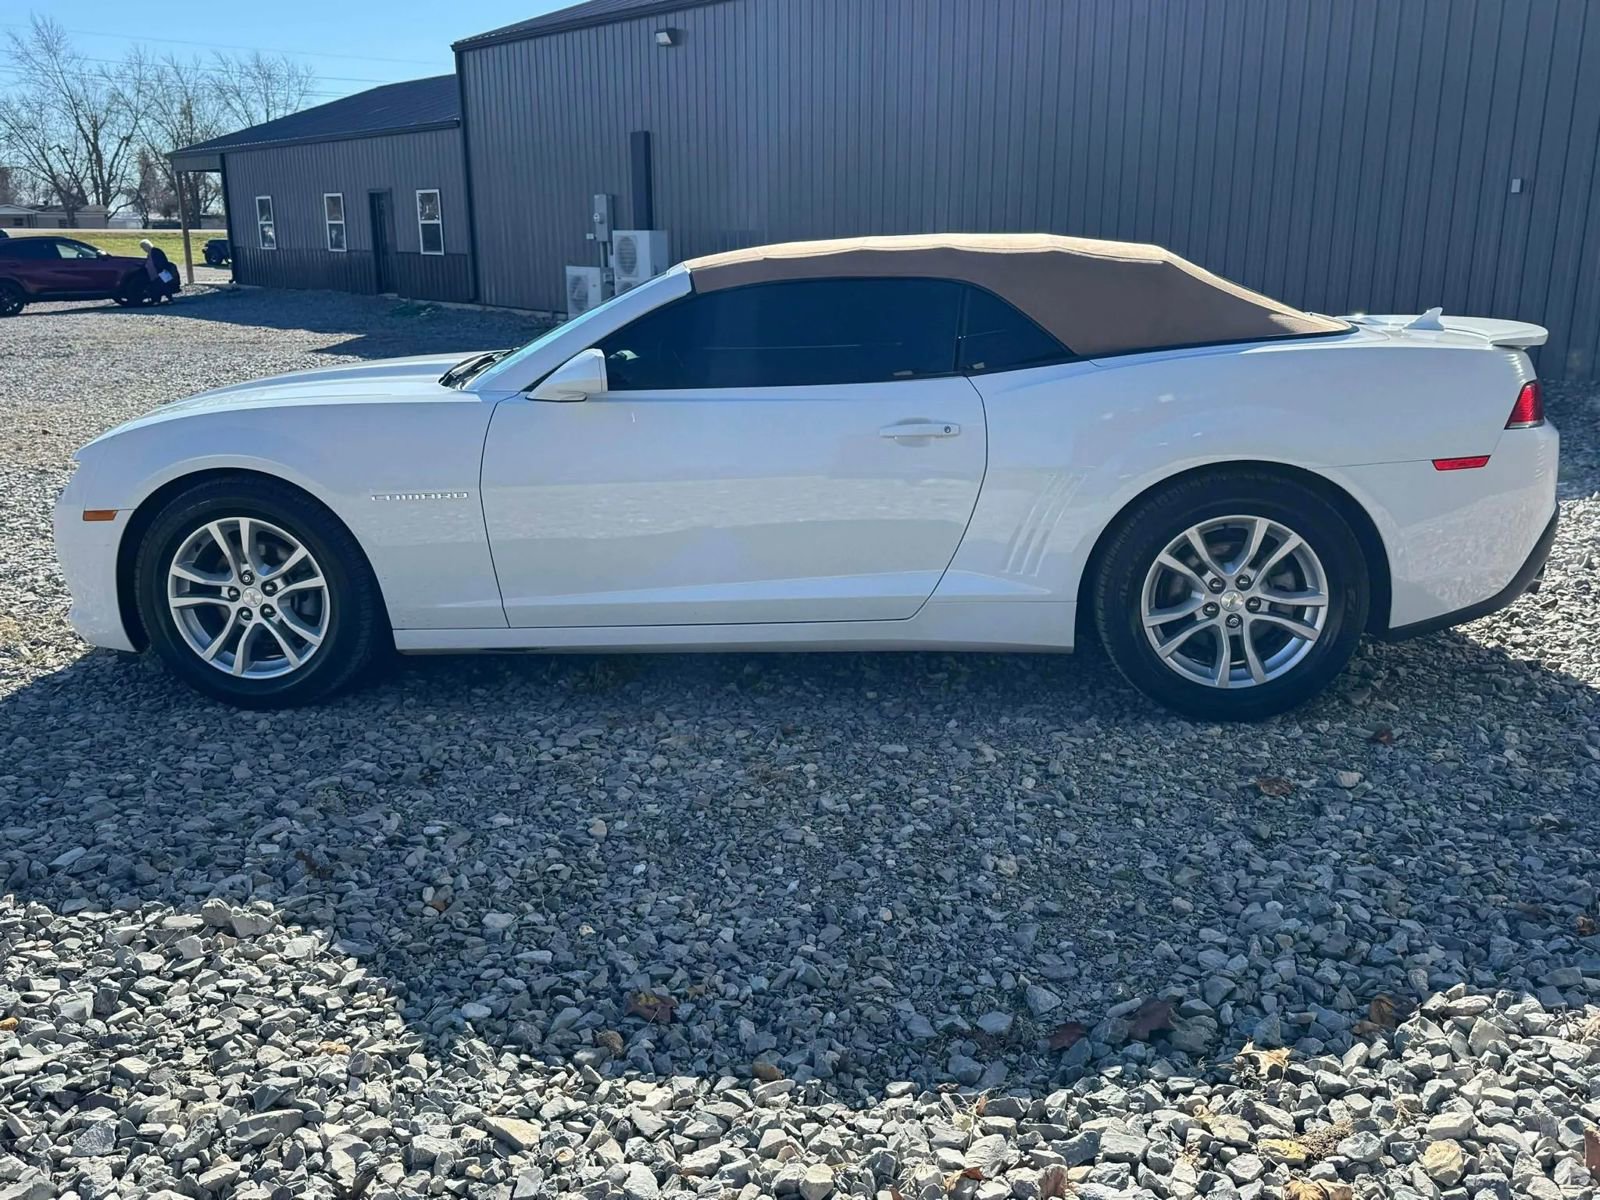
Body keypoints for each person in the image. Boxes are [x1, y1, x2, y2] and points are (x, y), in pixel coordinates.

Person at [139, 237, 180, 303]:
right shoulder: (149, 254)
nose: (143, 249)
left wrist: (161, 270)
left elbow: (161, 262)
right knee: (157, 287)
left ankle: (169, 299)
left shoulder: (156, 251)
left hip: (161, 272)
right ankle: (157, 300)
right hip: (154, 275)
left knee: (163, 286)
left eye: (143, 247)